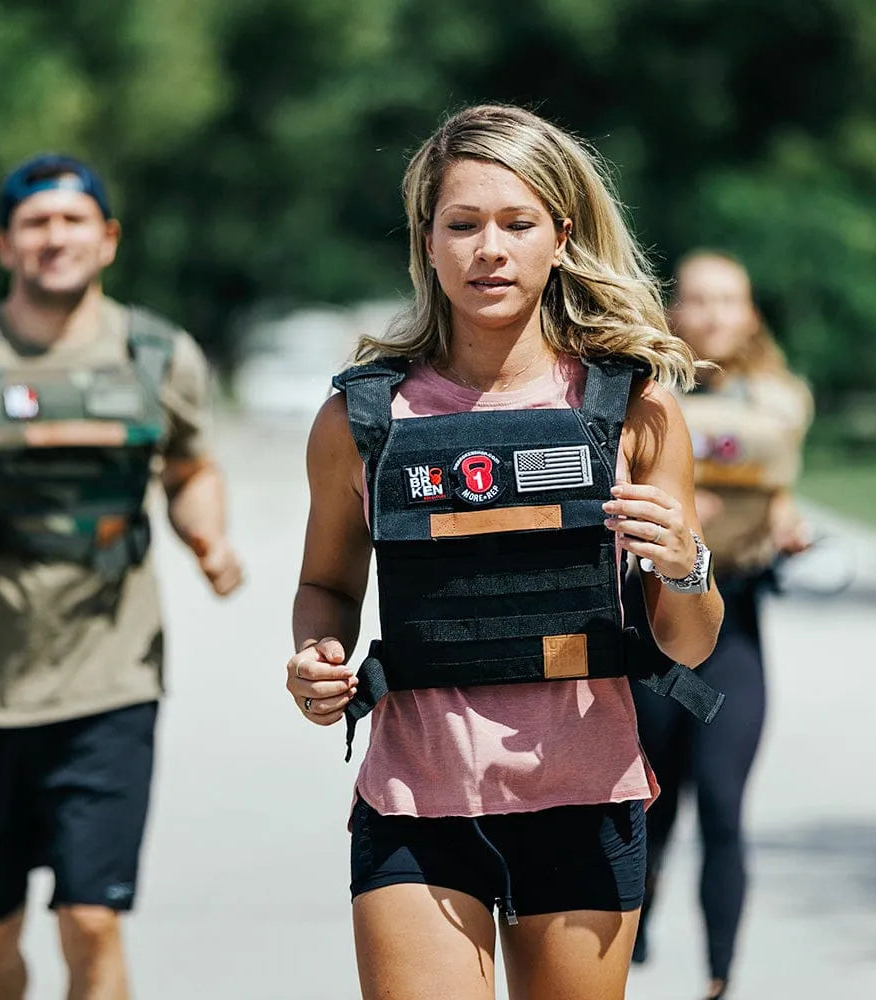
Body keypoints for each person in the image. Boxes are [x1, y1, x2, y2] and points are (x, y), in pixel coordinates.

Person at [285, 104, 724, 1000]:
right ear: (428, 240)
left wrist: (686, 564)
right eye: (464, 224)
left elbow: (689, 644)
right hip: (414, 800)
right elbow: (326, 583)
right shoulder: (361, 419)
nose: (491, 248)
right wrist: (315, 658)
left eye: (517, 223)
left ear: (560, 237)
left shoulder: (633, 408)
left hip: (584, 794)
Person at [0, 154, 243, 1000]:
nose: (56, 238)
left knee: (91, 918)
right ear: (5, 244)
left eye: (73, 220)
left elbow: (191, 466)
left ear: (108, 238)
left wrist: (209, 539)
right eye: (36, 223)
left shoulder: (157, 354)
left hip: (110, 678)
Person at [625, 250, 814, 999]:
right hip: (654, 625)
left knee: (725, 805)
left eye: (727, 301)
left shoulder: (781, 400)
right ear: (675, 313)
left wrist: (786, 524)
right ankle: (623, 948)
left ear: (750, 315)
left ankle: (718, 978)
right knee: (651, 801)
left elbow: (777, 494)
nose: (710, 315)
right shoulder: (641, 390)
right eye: (697, 300)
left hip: (733, 622)